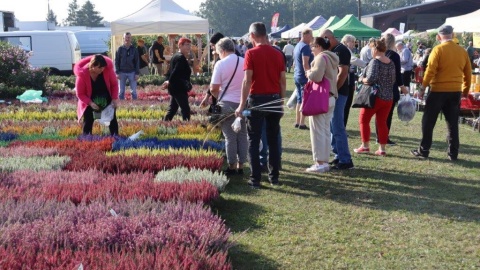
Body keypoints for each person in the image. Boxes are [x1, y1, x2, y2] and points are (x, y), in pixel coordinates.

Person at [235, 22, 286, 188]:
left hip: (257, 100)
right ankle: (274, 177)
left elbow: (247, 80)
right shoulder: (278, 53)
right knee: (273, 139)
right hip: (274, 99)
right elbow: (282, 80)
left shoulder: (251, 53)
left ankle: (255, 178)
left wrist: (241, 105)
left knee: (254, 140)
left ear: (252, 35)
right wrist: (281, 101)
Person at [411, 25, 472, 161]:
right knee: (452, 123)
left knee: (428, 121)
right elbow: (468, 73)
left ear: (438, 37)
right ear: (453, 34)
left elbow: (430, 71)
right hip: (455, 91)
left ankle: (424, 150)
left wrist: (422, 88)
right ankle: (453, 153)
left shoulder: (437, 50)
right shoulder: (462, 51)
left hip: (438, 91)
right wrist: (466, 90)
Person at [209, 37, 248, 176]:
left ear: (223, 50)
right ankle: (241, 165)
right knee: (243, 134)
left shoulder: (221, 64)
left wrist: (217, 96)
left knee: (230, 136)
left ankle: (231, 166)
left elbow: (214, 88)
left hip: (226, 103)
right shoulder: (244, 61)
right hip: (243, 103)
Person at [354, 38, 396, 156]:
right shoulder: (390, 62)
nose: (370, 51)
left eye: (371, 48)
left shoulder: (375, 62)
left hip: (375, 97)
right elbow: (393, 79)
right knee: (382, 122)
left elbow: (371, 78)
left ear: (375, 49)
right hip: (388, 97)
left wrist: (362, 79)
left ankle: (365, 146)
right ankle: (382, 149)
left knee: (363, 120)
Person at [319, 29, 354, 170]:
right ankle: (338, 155)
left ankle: (345, 160)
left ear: (328, 38)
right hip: (337, 92)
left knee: (338, 126)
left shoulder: (341, 50)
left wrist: (334, 90)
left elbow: (343, 73)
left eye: (323, 40)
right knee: (333, 125)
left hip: (340, 92)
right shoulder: (335, 49)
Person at [305, 37, 339, 172]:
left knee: (317, 131)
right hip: (330, 97)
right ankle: (324, 161)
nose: (312, 50)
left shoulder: (320, 58)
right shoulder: (332, 57)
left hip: (321, 98)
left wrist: (308, 72)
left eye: (312, 47)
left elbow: (317, 77)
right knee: (324, 130)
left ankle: (319, 162)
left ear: (318, 46)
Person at [375, 33, 409, 146]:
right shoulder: (394, 55)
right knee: (387, 115)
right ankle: (384, 137)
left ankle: (379, 136)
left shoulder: (377, 53)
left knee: (379, 114)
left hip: (378, 87)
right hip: (391, 87)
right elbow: (397, 74)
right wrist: (402, 87)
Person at [75, 54, 119, 135]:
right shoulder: (82, 74)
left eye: (103, 67)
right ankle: (86, 140)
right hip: (89, 101)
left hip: (106, 99)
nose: (102, 69)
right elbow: (80, 93)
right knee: (88, 120)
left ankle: (115, 137)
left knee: (112, 119)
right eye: (100, 67)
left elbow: (114, 84)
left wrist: (114, 98)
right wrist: (91, 103)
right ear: (92, 66)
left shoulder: (107, 69)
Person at [161, 38, 193, 121]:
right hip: (179, 88)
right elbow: (175, 72)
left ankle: (165, 123)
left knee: (172, 109)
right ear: (180, 45)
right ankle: (187, 128)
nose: (189, 47)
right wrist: (169, 81)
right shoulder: (180, 58)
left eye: (189, 45)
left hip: (175, 87)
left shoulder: (176, 56)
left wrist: (168, 80)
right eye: (186, 45)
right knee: (185, 109)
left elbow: (169, 71)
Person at [341, 34, 366, 127]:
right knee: (345, 105)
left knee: (345, 105)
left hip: (347, 78)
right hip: (346, 79)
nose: (353, 44)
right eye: (352, 42)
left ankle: (343, 126)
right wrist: (366, 64)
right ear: (347, 41)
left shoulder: (345, 49)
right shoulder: (345, 49)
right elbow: (354, 60)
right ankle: (342, 126)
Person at [293, 28, 314, 130]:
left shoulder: (297, 45)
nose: (312, 37)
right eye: (311, 35)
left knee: (299, 99)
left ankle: (297, 121)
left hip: (297, 75)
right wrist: (309, 74)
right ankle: (302, 123)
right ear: (305, 35)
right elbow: (305, 63)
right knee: (304, 99)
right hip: (303, 76)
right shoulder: (305, 47)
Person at [114, 32, 139, 100]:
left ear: (131, 38)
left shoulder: (134, 49)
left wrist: (137, 73)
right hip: (122, 72)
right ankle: (122, 106)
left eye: (129, 37)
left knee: (133, 91)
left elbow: (137, 62)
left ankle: (135, 104)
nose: (127, 39)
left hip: (132, 72)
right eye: (126, 37)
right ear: (123, 38)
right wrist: (117, 72)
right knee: (121, 91)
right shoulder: (120, 49)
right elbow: (116, 61)